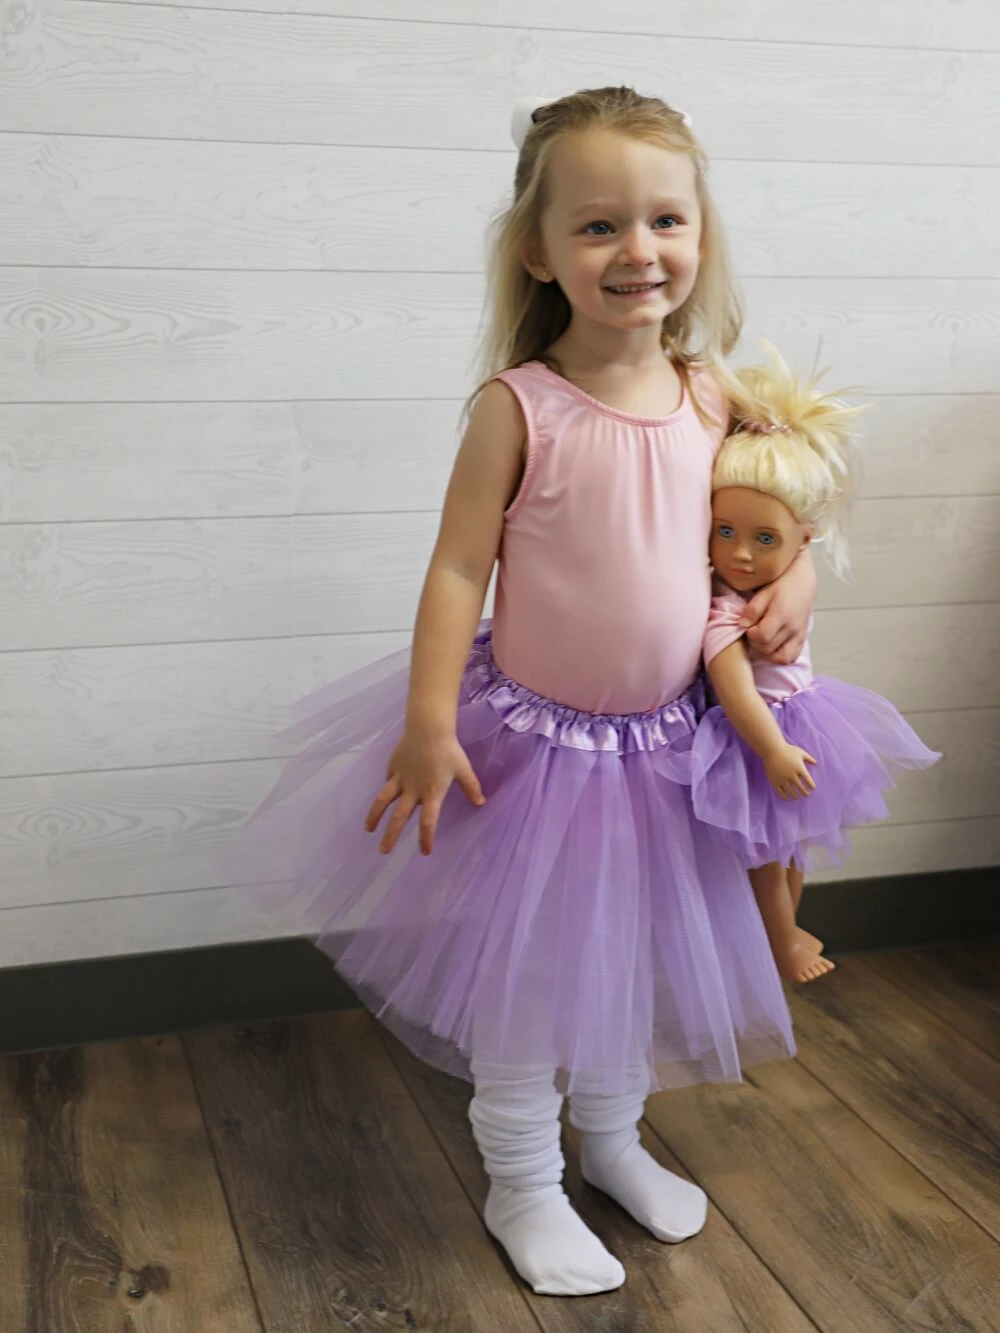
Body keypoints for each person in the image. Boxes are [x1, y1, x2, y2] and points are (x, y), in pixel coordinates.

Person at [237, 87, 817, 1297]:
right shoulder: (522, 407)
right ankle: (521, 1176)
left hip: (670, 743)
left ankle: (608, 1137)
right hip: (540, 749)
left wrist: (798, 576)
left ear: (699, 233)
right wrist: (426, 720)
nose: (637, 249)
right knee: (534, 973)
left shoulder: (716, 396)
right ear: (538, 250)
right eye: (598, 225)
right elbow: (459, 566)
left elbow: (778, 520)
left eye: (664, 219)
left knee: (628, 956)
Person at [691, 344, 940, 985]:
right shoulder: (724, 611)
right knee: (764, 854)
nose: (741, 555)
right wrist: (772, 750)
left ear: (806, 539)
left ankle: (788, 927)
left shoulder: (784, 586)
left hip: (807, 721)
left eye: (765, 539)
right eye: (725, 532)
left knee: (797, 840)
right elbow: (733, 689)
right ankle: (778, 942)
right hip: (754, 739)